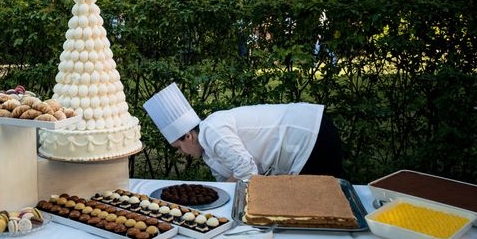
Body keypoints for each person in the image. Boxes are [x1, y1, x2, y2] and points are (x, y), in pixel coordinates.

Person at [143, 82, 344, 182]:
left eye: (178, 147)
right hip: (306, 139)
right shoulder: (207, 154)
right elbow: (228, 180)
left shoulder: (212, 130)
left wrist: (225, 189)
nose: (181, 153)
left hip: (310, 136)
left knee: (325, 205)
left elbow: (247, 173)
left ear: (188, 136)